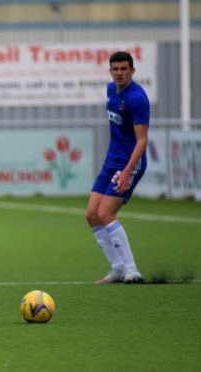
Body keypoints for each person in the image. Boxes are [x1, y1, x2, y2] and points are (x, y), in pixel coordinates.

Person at [86, 51, 149, 284]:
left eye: (124, 69)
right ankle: (118, 269)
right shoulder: (111, 90)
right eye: (115, 69)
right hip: (111, 161)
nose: (119, 73)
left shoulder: (137, 98)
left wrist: (126, 171)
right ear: (110, 71)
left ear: (132, 71)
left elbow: (142, 140)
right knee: (92, 215)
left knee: (106, 213)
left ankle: (133, 271)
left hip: (129, 164)